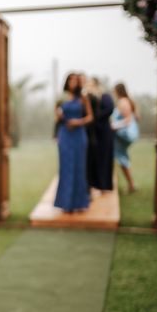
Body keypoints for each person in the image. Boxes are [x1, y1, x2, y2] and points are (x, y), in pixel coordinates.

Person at [54, 73, 93, 212]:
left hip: (79, 135)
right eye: (70, 80)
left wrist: (78, 121)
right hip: (65, 135)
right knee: (65, 168)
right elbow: (56, 116)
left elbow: (90, 117)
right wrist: (59, 115)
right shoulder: (62, 97)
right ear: (66, 81)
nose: (73, 82)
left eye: (75, 80)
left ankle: (80, 202)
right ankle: (65, 203)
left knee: (79, 168)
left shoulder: (83, 97)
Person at [111, 83, 139, 194]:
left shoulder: (123, 101)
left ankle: (131, 184)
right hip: (121, 134)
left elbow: (128, 120)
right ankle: (130, 184)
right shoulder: (127, 101)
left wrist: (113, 125)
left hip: (123, 134)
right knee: (121, 157)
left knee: (121, 157)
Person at [87, 78, 115, 191]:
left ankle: (105, 185)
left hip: (104, 132)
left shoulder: (105, 97)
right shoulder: (89, 98)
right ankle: (96, 184)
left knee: (105, 158)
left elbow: (110, 109)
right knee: (96, 159)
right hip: (94, 132)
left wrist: (96, 116)